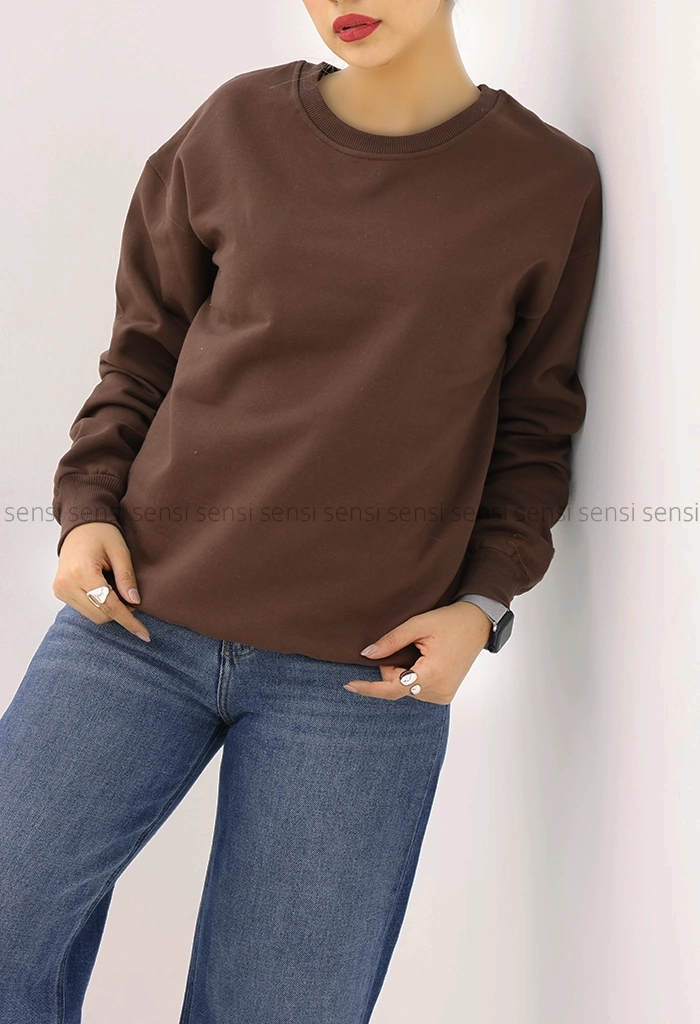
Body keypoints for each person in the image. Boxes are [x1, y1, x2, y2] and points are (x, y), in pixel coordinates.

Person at [0, 0, 603, 1021]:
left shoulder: (545, 183)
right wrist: (87, 506)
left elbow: (535, 431)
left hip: (358, 678)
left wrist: (481, 605)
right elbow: (143, 351)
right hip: (136, 620)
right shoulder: (235, 126)